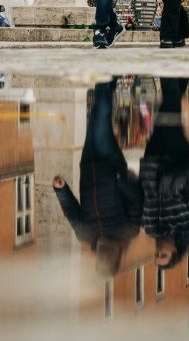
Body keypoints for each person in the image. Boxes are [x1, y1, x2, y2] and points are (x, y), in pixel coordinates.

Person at [52, 81, 142, 276]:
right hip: (110, 162)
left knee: (95, 117)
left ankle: (110, 78)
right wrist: (119, 181)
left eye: (99, 262)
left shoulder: (85, 235)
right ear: (116, 257)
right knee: (101, 114)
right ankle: (105, 72)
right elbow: (136, 200)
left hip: (88, 164)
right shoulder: (129, 231)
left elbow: (71, 212)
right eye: (106, 262)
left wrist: (61, 190)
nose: (102, 258)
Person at [140, 78, 189, 269]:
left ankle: (180, 74)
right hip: (178, 161)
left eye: (156, 255)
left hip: (152, 160)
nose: (158, 251)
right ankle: (170, 65)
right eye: (163, 254)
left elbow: (140, 194)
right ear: (175, 251)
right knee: (169, 113)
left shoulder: (150, 228)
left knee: (167, 111)